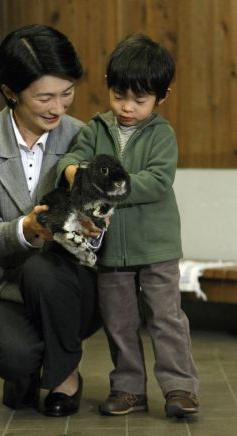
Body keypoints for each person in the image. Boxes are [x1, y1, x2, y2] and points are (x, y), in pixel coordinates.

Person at [0, 24, 101, 417]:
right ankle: (31, 367)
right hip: (6, 289)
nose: (58, 107)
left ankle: (64, 374)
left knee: (44, 269)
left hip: (72, 287)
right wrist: (29, 229)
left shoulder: (81, 137)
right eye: (44, 97)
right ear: (10, 92)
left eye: (67, 93)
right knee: (14, 353)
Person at [57, 34, 199, 418]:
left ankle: (180, 387)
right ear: (107, 83)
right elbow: (70, 161)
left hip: (157, 248)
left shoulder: (161, 134)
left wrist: (107, 184)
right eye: (120, 95)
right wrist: (73, 171)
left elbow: (157, 180)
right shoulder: (95, 128)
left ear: (162, 96)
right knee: (119, 322)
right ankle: (128, 389)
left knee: (166, 319)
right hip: (110, 252)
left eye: (140, 100)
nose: (127, 108)